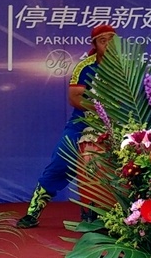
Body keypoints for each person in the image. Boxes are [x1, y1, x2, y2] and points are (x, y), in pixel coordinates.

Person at [15, 23, 116, 228]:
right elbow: (74, 97)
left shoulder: (127, 67)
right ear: (94, 45)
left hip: (117, 125)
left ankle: (118, 218)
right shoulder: (85, 66)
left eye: (112, 40)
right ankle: (33, 212)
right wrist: (99, 111)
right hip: (83, 121)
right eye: (103, 41)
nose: (108, 44)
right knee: (62, 160)